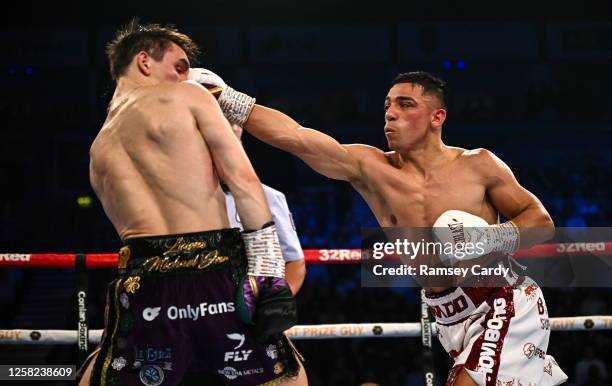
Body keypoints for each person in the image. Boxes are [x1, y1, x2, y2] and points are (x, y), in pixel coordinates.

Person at [189, 68, 569, 386]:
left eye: (406, 105)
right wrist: (225, 96)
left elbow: (540, 222)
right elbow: (297, 138)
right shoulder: (370, 169)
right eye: (387, 106)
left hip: (503, 298)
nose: (390, 114)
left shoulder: (479, 165)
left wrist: (490, 237)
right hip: (448, 315)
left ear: (437, 117)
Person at [78, 21, 307, 386]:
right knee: (287, 377)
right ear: (144, 61)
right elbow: (244, 182)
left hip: (142, 281)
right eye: (180, 66)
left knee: (100, 373)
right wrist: (266, 269)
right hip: (212, 270)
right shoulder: (188, 96)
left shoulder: (98, 148)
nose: (184, 77)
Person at [223, 123, 306, 295]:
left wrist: (274, 306)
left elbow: (294, 262)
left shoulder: (270, 197)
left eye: (232, 147)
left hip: (247, 303)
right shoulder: (182, 197)